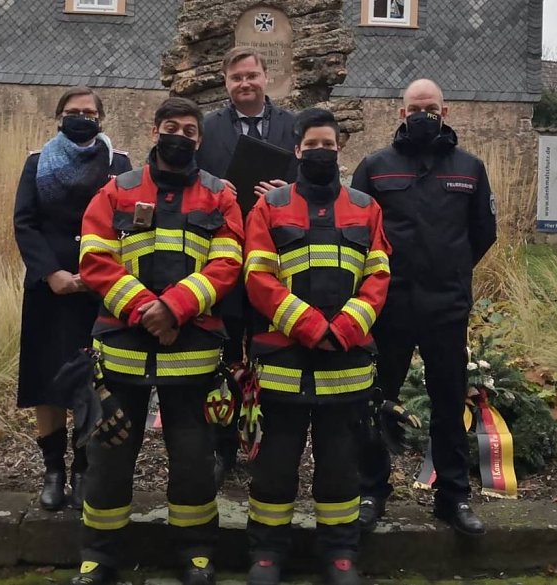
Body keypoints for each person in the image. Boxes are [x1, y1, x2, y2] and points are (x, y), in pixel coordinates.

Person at [73, 97, 244, 585]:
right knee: (109, 455)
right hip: (123, 350)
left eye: (189, 130)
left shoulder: (220, 197)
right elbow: (95, 260)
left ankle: (195, 552)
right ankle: (99, 555)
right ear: (154, 131)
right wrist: (148, 311)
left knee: (193, 459)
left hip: (192, 353)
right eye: (171, 127)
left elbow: (228, 263)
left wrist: (175, 307)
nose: (180, 136)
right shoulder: (117, 191)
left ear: (200, 140)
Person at [243, 108, 391, 585]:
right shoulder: (270, 207)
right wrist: (311, 327)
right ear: (297, 150)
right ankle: (267, 551)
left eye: (328, 145)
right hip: (284, 360)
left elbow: (378, 277)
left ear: (339, 149)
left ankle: (340, 553)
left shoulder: (366, 208)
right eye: (312, 146)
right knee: (274, 463)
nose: (321, 152)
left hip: (345, 364)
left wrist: (343, 329)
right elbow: (257, 276)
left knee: (340, 466)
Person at [351, 79, 496, 536]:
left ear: (445, 112)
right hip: (388, 307)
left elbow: (483, 232)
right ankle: (371, 491)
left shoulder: (470, 168)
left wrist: (450, 270)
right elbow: (357, 233)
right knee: (376, 401)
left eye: (430, 108)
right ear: (402, 113)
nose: (422, 115)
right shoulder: (375, 168)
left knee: (449, 403)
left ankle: (453, 498)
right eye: (415, 108)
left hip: (445, 307)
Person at [14, 86, 132, 512]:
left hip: (101, 290)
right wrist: (52, 273)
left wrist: (103, 275)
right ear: (59, 116)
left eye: (89, 112)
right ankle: (53, 471)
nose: (81, 117)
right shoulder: (37, 162)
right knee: (46, 379)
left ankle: (84, 467)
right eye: (73, 111)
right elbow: (25, 222)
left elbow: (129, 222)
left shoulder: (119, 164)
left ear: (101, 118)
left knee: (92, 380)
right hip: (49, 288)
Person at [196, 46, 297, 483]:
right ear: (226, 82)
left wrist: (285, 191)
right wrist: (214, 188)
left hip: (274, 259)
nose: (245, 83)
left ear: (265, 76)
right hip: (222, 258)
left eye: (251, 75)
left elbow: (312, 182)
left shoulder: (293, 126)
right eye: (236, 77)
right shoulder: (207, 128)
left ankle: (265, 445)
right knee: (222, 358)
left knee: (268, 353)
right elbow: (189, 179)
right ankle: (222, 447)